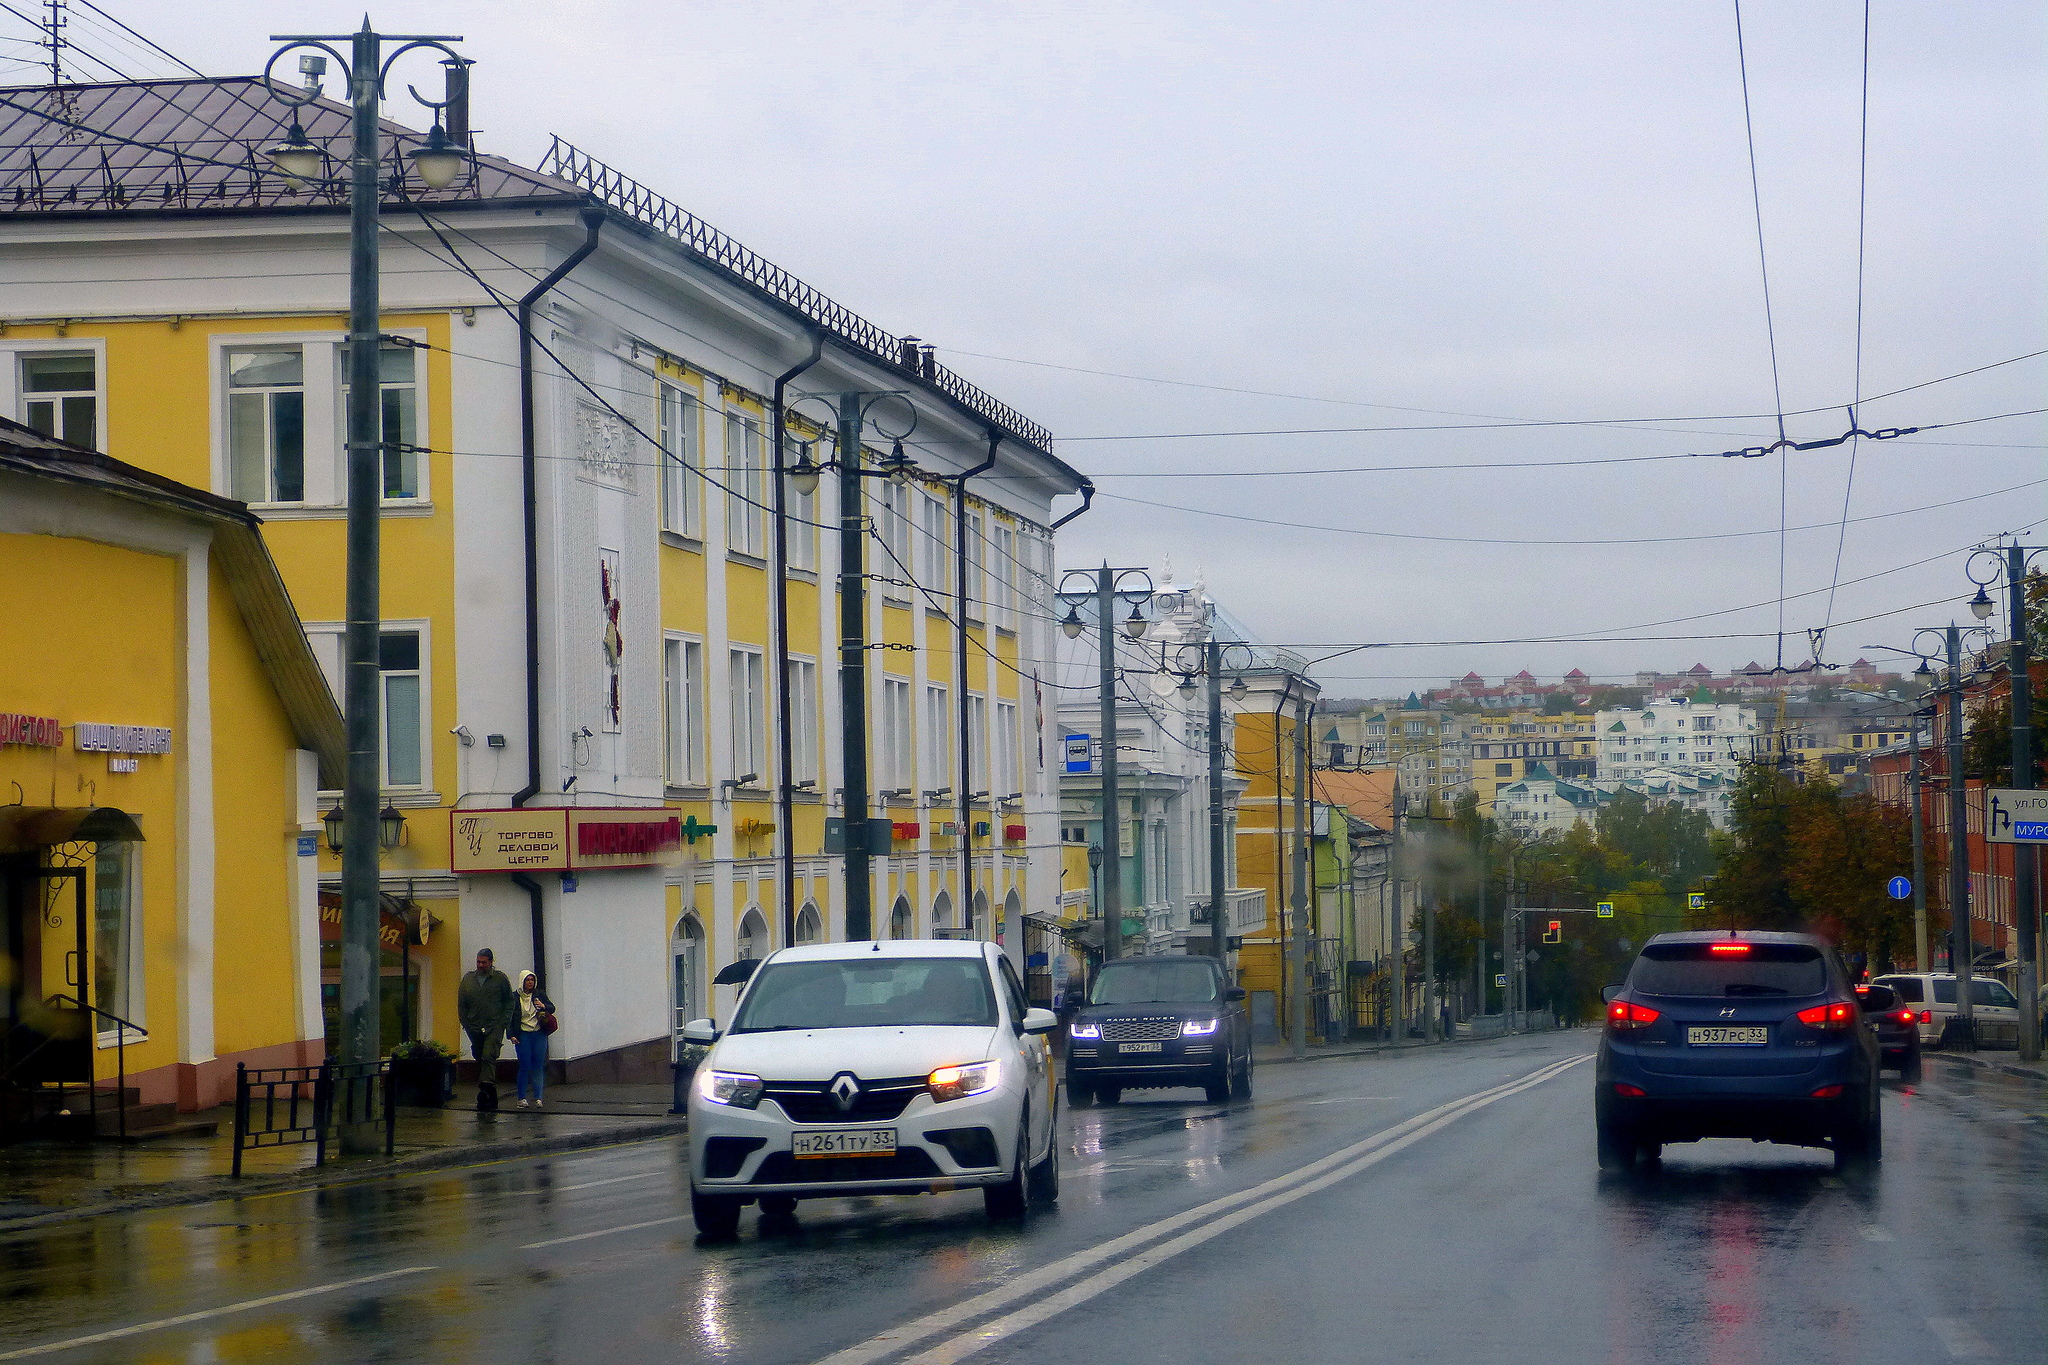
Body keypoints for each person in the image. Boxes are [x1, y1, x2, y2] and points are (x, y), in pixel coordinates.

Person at [457, 948, 516, 1106]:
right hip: (474, 1025)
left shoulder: (499, 979)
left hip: (494, 1025)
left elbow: (510, 1001)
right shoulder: (468, 979)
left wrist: (504, 1021)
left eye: (484, 962)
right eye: (478, 962)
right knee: (479, 1054)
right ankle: (491, 1090)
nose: (480, 965)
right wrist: (465, 1022)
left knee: (489, 1054)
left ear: (491, 962)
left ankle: (485, 1087)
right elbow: (462, 1003)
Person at [511, 970, 555, 1108]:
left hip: (539, 1033)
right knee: (524, 1066)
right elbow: (509, 1017)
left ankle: (538, 1097)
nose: (530, 982)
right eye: (527, 980)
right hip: (523, 1034)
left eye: (532, 980)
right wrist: (511, 1034)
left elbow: (552, 1008)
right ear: (522, 981)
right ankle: (521, 1098)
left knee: (538, 1065)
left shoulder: (539, 994)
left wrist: (544, 1006)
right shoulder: (514, 997)